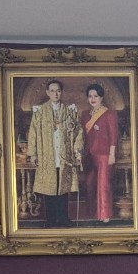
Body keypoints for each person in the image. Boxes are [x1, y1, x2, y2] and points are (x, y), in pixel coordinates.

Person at [26, 79, 84, 227]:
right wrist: (33, 154)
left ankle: (64, 218)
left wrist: (77, 150)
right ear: (47, 93)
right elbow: (33, 133)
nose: (55, 94)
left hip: (64, 156)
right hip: (47, 155)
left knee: (63, 188)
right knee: (49, 189)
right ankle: (50, 220)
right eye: (52, 91)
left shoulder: (70, 111)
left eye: (58, 91)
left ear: (61, 92)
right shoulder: (40, 111)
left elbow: (78, 132)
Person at [81, 83, 119, 224]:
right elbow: (83, 136)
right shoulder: (85, 114)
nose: (93, 99)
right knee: (90, 184)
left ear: (101, 97)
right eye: (90, 96)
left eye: (96, 96)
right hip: (89, 154)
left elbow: (114, 136)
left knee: (103, 185)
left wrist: (112, 154)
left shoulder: (109, 114)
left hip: (104, 154)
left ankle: (105, 214)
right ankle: (92, 213)